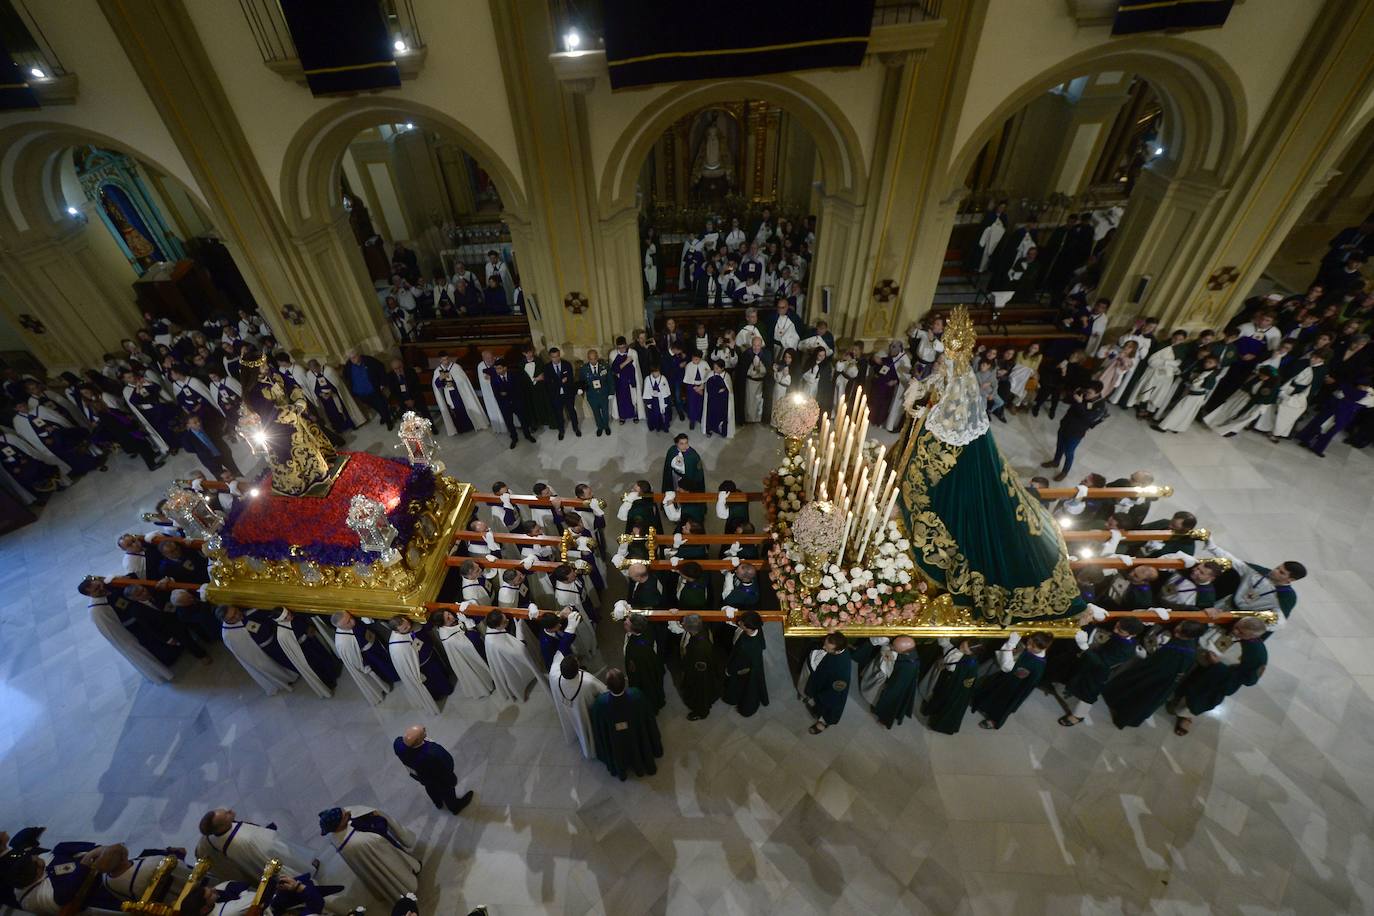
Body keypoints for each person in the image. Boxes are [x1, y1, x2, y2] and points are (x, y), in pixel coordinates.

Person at [1170, 617, 1268, 736]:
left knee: (1195, 699)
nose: (1235, 632)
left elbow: (1249, 680)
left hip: (1216, 678)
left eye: (1241, 633)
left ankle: (1185, 716)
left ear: (1253, 636)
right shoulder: (1232, 624)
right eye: (1237, 627)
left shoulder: (1257, 654)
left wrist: (1217, 665)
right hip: (1200, 664)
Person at [1102, 621, 1207, 728]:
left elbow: (1160, 665)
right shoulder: (1189, 645)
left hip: (1154, 679)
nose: (1176, 633)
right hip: (1160, 675)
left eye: (1181, 633)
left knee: (1137, 696)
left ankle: (1121, 714)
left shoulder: (1180, 652)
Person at [1055, 617, 1146, 727]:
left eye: (1120, 631)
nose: (1115, 630)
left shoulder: (1125, 650)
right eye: (1117, 626)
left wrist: (1084, 647)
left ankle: (1078, 716)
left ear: (1133, 634)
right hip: (1094, 662)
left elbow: (1103, 664)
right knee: (1079, 681)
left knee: (1088, 694)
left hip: (1101, 672)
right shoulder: (1122, 636)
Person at [318, 806, 420, 901]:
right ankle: (408, 876)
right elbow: (379, 838)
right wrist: (378, 820)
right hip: (383, 854)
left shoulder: (335, 836)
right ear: (338, 825)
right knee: (394, 865)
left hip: (370, 853)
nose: (348, 813)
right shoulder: (357, 841)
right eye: (345, 816)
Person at [195, 808, 318, 880]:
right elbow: (273, 849)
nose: (230, 811)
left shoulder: (214, 837)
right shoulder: (246, 841)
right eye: (227, 814)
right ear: (222, 827)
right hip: (274, 853)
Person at [591, 667, 664, 781]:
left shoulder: (601, 703)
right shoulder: (636, 695)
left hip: (616, 740)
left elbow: (599, 727)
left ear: (607, 687)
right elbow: (649, 718)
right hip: (637, 734)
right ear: (625, 682)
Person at [971, 632, 1053, 729]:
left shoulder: (1038, 665)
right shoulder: (1029, 651)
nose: (1028, 647)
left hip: (1015, 687)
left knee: (1003, 704)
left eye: (1033, 647)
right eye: (1029, 642)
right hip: (1007, 678)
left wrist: (1010, 648)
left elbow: (1025, 680)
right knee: (992, 692)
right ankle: (982, 705)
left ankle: (994, 720)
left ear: (1044, 648)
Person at [393, 725, 475, 814]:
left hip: (421, 777)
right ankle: (455, 807)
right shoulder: (433, 753)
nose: (424, 729)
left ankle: (438, 803)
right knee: (447, 792)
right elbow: (448, 763)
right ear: (419, 740)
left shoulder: (397, 744)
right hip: (439, 779)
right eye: (423, 731)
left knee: (430, 788)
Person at [217, 605, 297, 695]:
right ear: (226, 621)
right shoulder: (229, 635)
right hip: (267, 649)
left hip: (275, 638)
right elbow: (247, 652)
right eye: (232, 618)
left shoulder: (246, 615)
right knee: (282, 661)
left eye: (236, 611)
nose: (237, 616)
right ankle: (289, 676)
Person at [1040, 379, 1107, 481]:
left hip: (1076, 433)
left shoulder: (1100, 405)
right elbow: (1066, 400)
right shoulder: (1083, 394)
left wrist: (1080, 403)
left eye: (1089, 393)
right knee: (1059, 445)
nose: (1086, 394)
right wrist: (1074, 393)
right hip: (1065, 425)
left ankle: (1064, 472)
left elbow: (1088, 418)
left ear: (1097, 393)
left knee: (1069, 452)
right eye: (1086, 391)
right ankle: (1055, 461)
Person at [388, 616, 452, 714]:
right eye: (405, 628)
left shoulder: (410, 627)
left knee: (440, 672)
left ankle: (447, 686)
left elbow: (420, 636)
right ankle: (441, 693)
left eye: (408, 624)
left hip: (429, 653)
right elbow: (412, 653)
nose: (409, 627)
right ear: (397, 631)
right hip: (422, 665)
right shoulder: (398, 646)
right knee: (433, 680)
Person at [550, 653, 607, 760]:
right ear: (577, 669)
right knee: (590, 730)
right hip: (586, 711)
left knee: (581, 729)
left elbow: (555, 662)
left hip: (572, 712)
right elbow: (603, 690)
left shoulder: (556, 679)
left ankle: (586, 747)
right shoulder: (586, 681)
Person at [332, 611, 394, 706]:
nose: (353, 621)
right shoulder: (343, 642)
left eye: (351, 618)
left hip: (375, 643)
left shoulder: (353, 622)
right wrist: (365, 666)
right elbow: (354, 659)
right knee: (384, 667)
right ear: (341, 627)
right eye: (348, 622)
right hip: (369, 655)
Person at [922, 638, 983, 735]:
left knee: (945, 704)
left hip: (953, 687)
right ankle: (931, 710)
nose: (962, 647)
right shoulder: (964, 657)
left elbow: (965, 680)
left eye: (965, 648)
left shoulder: (968, 663)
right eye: (963, 645)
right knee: (938, 697)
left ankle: (938, 723)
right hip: (949, 681)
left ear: (970, 652)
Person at [431, 608, 495, 698]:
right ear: (442, 624)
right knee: (478, 671)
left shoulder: (451, 623)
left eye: (449, 614)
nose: (451, 617)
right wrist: (469, 625)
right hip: (470, 657)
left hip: (476, 651)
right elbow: (470, 644)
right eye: (448, 618)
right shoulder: (449, 638)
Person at [858, 636, 920, 729]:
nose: (891, 647)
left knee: (890, 702)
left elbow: (889, 671)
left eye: (894, 647)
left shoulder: (906, 665)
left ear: (903, 651)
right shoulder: (910, 654)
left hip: (894, 685)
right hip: (896, 680)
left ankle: (883, 715)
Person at [798, 632, 852, 734]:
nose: (823, 647)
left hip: (830, 692)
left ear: (837, 650)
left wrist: (819, 696)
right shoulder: (835, 648)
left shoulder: (841, 670)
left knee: (827, 709)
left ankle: (823, 723)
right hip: (822, 681)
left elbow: (836, 691)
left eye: (827, 647)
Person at [483, 609, 543, 702]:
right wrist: (521, 640)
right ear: (497, 626)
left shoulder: (492, 628)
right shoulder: (494, 641)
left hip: (506, 657)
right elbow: (518, 652)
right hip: (505, 664)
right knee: (513, 678)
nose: (507, 621)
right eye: (505, 622)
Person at [1152, 355, 1221, 433]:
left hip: (1195, 396)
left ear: (1215, 364)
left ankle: (1163, 427)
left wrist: (1195, 378)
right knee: (1184, 412)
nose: (1207, 364)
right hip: (1194, 395)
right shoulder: (1207, 371)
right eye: (1206, 362)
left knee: (1179, 410)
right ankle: (1175, 427)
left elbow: (1196, 384)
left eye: (1210, 363)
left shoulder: (1209, 374)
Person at [430, 354, 488, 437]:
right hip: (448, 393)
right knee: (454, 411)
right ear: (440, 360)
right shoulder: (437, 370)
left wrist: (455, 380)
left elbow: (463, 379)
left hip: (460, 392)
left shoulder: (456, 367)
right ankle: (459, 428)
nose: (446, 362)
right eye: (443, 360)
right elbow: (437, 386)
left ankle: (470, 426)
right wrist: (440, 378)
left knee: (465, 408)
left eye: (447, 359)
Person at [675, 613, 719, 721]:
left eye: (683, 624)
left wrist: (686, 670)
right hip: (701, 667)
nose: (682, 624)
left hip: (699, 676)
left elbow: (698, 667)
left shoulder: (699, 648)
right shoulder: (702, 630)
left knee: (700, 694)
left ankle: (701, 712)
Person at [622, 612, 666, 711]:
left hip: (643, 674)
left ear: (633, 629)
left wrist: (631, 678)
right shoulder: (646, 631)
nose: (624, 623)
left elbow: (634, 669)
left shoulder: (635, 651)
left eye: (627, 623)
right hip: (652, 664)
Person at [179, 413, 240, 478]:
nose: (199, 423)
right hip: (210, 460)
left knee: (235, 471)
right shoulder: (187, 438)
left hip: (223, 453)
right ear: (189, 425)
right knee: (221, 478)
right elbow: (189, 449)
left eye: (199, 421)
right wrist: (202, 451)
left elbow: (218, 434)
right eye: (195, 423)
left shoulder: (208, 426)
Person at [343, 349, 392, 430]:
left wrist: (382, 383)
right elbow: (346, 375)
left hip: (373, 390)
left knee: (382, 405)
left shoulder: (369, 360)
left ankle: (388, 421)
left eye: (354, 357)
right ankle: (383, 416)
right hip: (361, 393)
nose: (352, 360)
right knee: (374, 406)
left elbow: (381, 368)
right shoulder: (348, 365)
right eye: (350, 358)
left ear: (358, 355)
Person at [543, 347, 581, 439]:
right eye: (553, 357)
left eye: (557, 356)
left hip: (568, 394)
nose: (555, 359)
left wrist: (556, 382)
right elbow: (548, 384)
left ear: (559, 355)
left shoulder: (566, 364)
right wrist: (561, 381)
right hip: (555, 395)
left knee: (572, 412)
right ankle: (561, 431)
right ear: (550, 357)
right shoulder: (547, 368)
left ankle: (576, 428)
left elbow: (570, 380)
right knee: (558, 414)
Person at [609, 337, 643, 424]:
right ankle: (622, 416)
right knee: (621, 399)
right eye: (619, 348)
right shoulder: (613, 354)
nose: (622, 349)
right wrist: (626, 362)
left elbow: (636, 368)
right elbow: (614, 369)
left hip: (631, 380)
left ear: (626, 345)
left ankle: (635, 415)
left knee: (634, 398)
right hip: (620, 382)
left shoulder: (633, 352)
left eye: (623, 347)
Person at [579, 348, 613, 436]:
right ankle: (600, 427)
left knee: (605, 412)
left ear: (597, 357)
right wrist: (581, 389)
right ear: (588, 358)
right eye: (591, 359)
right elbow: (581, 382)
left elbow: (610, 380)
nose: (593, 361)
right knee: (596, 412)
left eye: (594, 358)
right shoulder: (584, 369)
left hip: (603, 394)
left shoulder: (604, 366)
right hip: (592, 395)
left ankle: (606, 426)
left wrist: (611, 392)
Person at [642, 364, 673, 432]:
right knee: (653, 414)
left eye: (657, 372)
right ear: (651, 372)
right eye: (654, 372)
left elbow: (666, 390)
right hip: (653, 400)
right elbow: (646, 391)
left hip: (662, 399)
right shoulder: (648, 379)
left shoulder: (663, 378)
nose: (656, 374)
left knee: (663, 413)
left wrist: (666, 401)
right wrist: (648, 402)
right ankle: (653, 426)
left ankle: (664, 426)